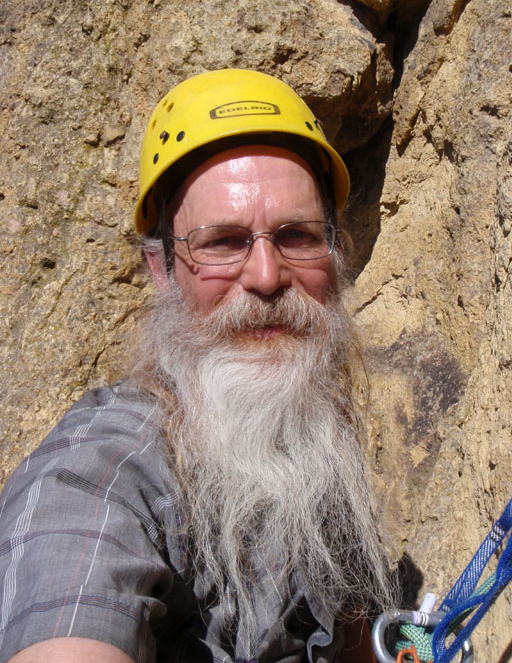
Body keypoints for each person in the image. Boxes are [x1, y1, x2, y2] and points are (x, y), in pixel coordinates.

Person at [0, 70, 395, 663]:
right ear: (162, 270)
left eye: (297, 235)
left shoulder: (315, 430)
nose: (266, 276)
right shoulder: (98, 477)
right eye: (222, 242)